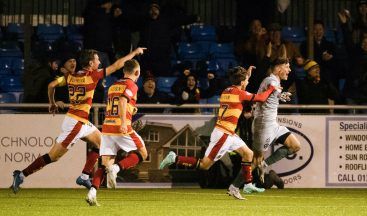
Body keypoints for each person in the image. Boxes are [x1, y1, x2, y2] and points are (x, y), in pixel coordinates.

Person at [11, 47, 146, 194]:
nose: (99, 61)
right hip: (75, 123)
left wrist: (52, 103)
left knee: (101, 143)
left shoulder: (71, 77)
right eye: (97, 59)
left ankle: (84, 176)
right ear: (90, 63)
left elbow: (51, 85)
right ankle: (21, 174)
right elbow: (117, 65)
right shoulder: (93, 76)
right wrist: (133, 53)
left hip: (82, 121)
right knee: (53, 156)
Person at [159, 66, 279, 200]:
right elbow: (261, 98)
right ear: (242, 82)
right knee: (205, 165)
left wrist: (247, 77)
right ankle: (175, 158)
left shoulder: (227, 91)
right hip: (223, 134)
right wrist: (271, 89)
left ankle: (247, 185)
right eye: (246, 81)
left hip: (229, 133)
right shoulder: (239, 93)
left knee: (248, 153)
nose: (248, 83)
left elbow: (241, 90)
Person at [86, 59, 148, 206]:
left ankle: (92, 192)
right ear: (137, 72)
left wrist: (131, 109)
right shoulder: (132, 85)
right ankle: (117, 168)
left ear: (123, 71)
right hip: (121, 126)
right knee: (143, 153)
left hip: (107, 128)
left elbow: (116, 104)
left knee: (104, 164)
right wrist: (122, 122)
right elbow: (122, 101)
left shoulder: (113, 85)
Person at [252, 58, 301, 183]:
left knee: (295, 146)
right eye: (287, 67)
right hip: (263, 125)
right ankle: (235, 186)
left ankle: (264, 165)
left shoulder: (275, 81)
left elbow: (274, 92)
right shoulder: (271, 80)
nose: (289, 70)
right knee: (255, 159)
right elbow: (270, 88)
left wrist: (281, 95)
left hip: (273, 124)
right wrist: (279, 93)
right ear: (279, 69)